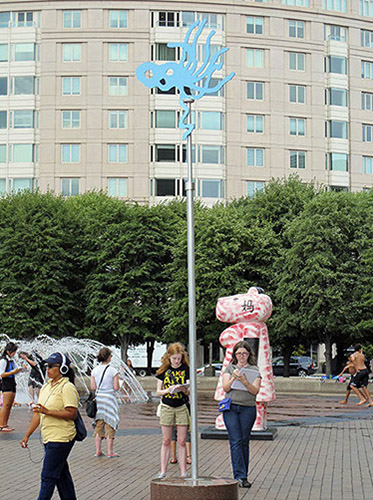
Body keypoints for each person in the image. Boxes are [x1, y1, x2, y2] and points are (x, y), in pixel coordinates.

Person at [20, 352, 79, 500]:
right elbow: (38, 414)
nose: (48, 369)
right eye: (47, 366)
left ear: (63, 369)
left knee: (48, 477)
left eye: (52, 366)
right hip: (49, 437)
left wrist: (48, 411)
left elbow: (72, 413)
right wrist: (27, 435)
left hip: (61, 438)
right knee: (61, 476)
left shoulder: (67, 387)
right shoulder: (46, 387)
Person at [222, 340, 261, 488]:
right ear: (235, 355)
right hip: (231, 407)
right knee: (236, 440)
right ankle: (240, 475)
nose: (242, 356)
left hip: (248, 408)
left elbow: (255, 391)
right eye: (239, 353)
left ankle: (243, 474)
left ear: (248, 354)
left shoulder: (254, 370)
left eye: (244, 353)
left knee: (244, 440)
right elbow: (225, 388)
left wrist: (244, 381)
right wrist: (234, 377)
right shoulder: (229, 368)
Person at [156, 342, 190, 479]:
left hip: (181, 405)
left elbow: (189, 391)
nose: (177, 361)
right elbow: (158, 391)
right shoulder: (163, 370)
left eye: (179, 359)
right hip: (167, 406)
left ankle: (183, 472)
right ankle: (163, 470)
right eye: (174, 358)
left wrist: (183, 389)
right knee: (166, 440)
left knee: (182, 440)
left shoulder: (186, 369)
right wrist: (167, 390)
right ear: (169, 357)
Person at [90, 347, 120, 458]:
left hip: (99, 400)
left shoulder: (94, 370)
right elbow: (116, 387)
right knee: (110, 424)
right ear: (108, 357)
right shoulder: (113, 370)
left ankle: (98, 450)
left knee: (99, 424)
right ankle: (110, 452)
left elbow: (93, 387)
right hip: (109, 400)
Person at [0, 342, 26, 432]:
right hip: (6, 383)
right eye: (13, 351)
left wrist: (21, 370)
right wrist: (13, 371)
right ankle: (1, 425)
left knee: (9, 405)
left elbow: (15, 371)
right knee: (5, 405)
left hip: (12, 382)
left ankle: (5, 424)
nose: (15, 354)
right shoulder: (3, 360)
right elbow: (2, 374)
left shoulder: (12, 360)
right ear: (8, 351)